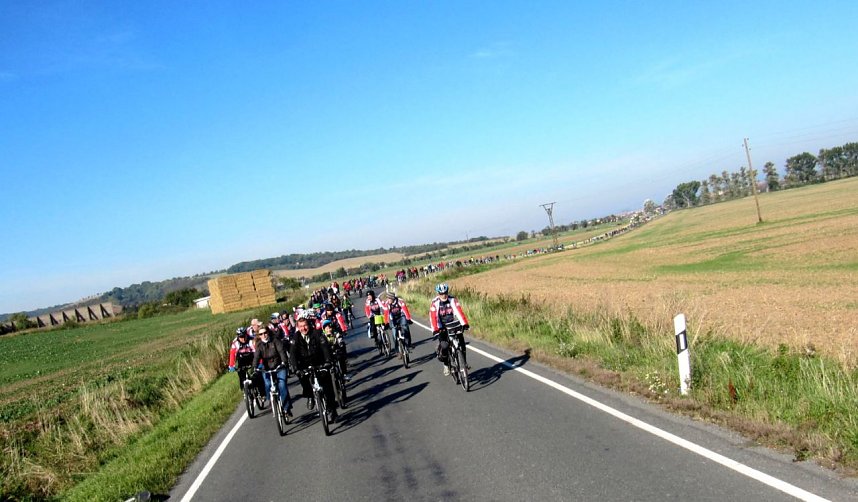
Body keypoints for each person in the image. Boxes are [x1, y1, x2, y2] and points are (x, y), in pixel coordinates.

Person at [290, 317, 338, 423]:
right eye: (301, 326)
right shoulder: (296, 338)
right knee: (302, 378)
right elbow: (293, 354)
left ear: (309, 325)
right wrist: (294, 368)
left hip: (319, 362)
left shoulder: (317, 333)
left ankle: (332, 410)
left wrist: (328, 361)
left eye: (305, 325)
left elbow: (325, 347)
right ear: (298, 327)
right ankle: (310, 396)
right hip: (305, 364)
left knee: (327, 387)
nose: (304, 328)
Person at [429, 283, 470, 376]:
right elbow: (433, 317)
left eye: (445, 293)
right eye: (441, 293)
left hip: (452, 324)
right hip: (441, 326)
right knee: (444, 346)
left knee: (462, 343)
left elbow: (459, 312)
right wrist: (435, 329)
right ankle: (446, 364)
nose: (444, 295)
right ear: (438, 293)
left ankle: (464, 363)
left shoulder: (452, 300)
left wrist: (464, 324)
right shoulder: (435, 303)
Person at [252, 327, 293, 419]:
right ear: (259, 336)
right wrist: (255, 367)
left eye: (265, 333)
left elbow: (282, 352)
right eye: (261, 334)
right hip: (267, 368)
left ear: (268, 333)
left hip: (279, 366)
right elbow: (256, 357)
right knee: (267, 383)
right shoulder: (259, 345)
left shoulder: (275, 341)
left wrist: (284, 362)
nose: (263, 335)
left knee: (282, 385)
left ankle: (287, 408)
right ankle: (270, 399)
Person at [227, 327, 261, 392]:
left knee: (256, 373)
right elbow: (232, 354)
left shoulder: (251, 340)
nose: (243, 339)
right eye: (241, 337)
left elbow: (256, 352)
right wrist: (231, 366)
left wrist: (259, 362)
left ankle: (260, 390)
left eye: (244, 336)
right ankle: (244, 390)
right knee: (240, 372)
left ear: (246, 334)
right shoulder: (235, 343)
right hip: (242, 359)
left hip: (252, 357)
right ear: (238, 337)